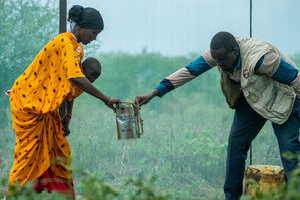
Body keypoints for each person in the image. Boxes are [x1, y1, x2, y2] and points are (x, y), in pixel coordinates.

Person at [134, 31, 300, 200]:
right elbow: (189, 71)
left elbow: (295, 78)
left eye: (222, 60)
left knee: (290, 151)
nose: (219, 64)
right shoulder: (218, 55)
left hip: (283, 98)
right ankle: (231, 196)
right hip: (254, 96)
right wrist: (154, 93)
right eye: (216, 60)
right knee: (236, 143)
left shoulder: (262, 58)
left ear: (235, 52)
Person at [8, 5, 120, 198]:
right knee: (27, 156)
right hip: (29, 102)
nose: (94, 38)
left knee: (57, 150)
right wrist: (106, 99)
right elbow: (76, 78)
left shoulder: (77, 50)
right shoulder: (64, 43)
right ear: (82, 26)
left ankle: (61, 195)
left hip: (46, 108)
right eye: (93, 33)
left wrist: (67, 115)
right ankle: (12, 195)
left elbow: (66, 86)